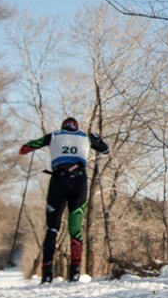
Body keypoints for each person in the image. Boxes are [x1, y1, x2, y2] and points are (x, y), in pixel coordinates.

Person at [19, 117, 109, 283]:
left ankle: (47, 272)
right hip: (79, 182)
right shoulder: (86, 136)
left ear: (63, 126)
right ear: (76, 127)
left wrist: (28, 148)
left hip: (58, 182)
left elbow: (26, 148)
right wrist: (97, 140)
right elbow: (105, 150)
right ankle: (74, 271)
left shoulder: (53, 135)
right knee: (75, 228)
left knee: (52, 229)